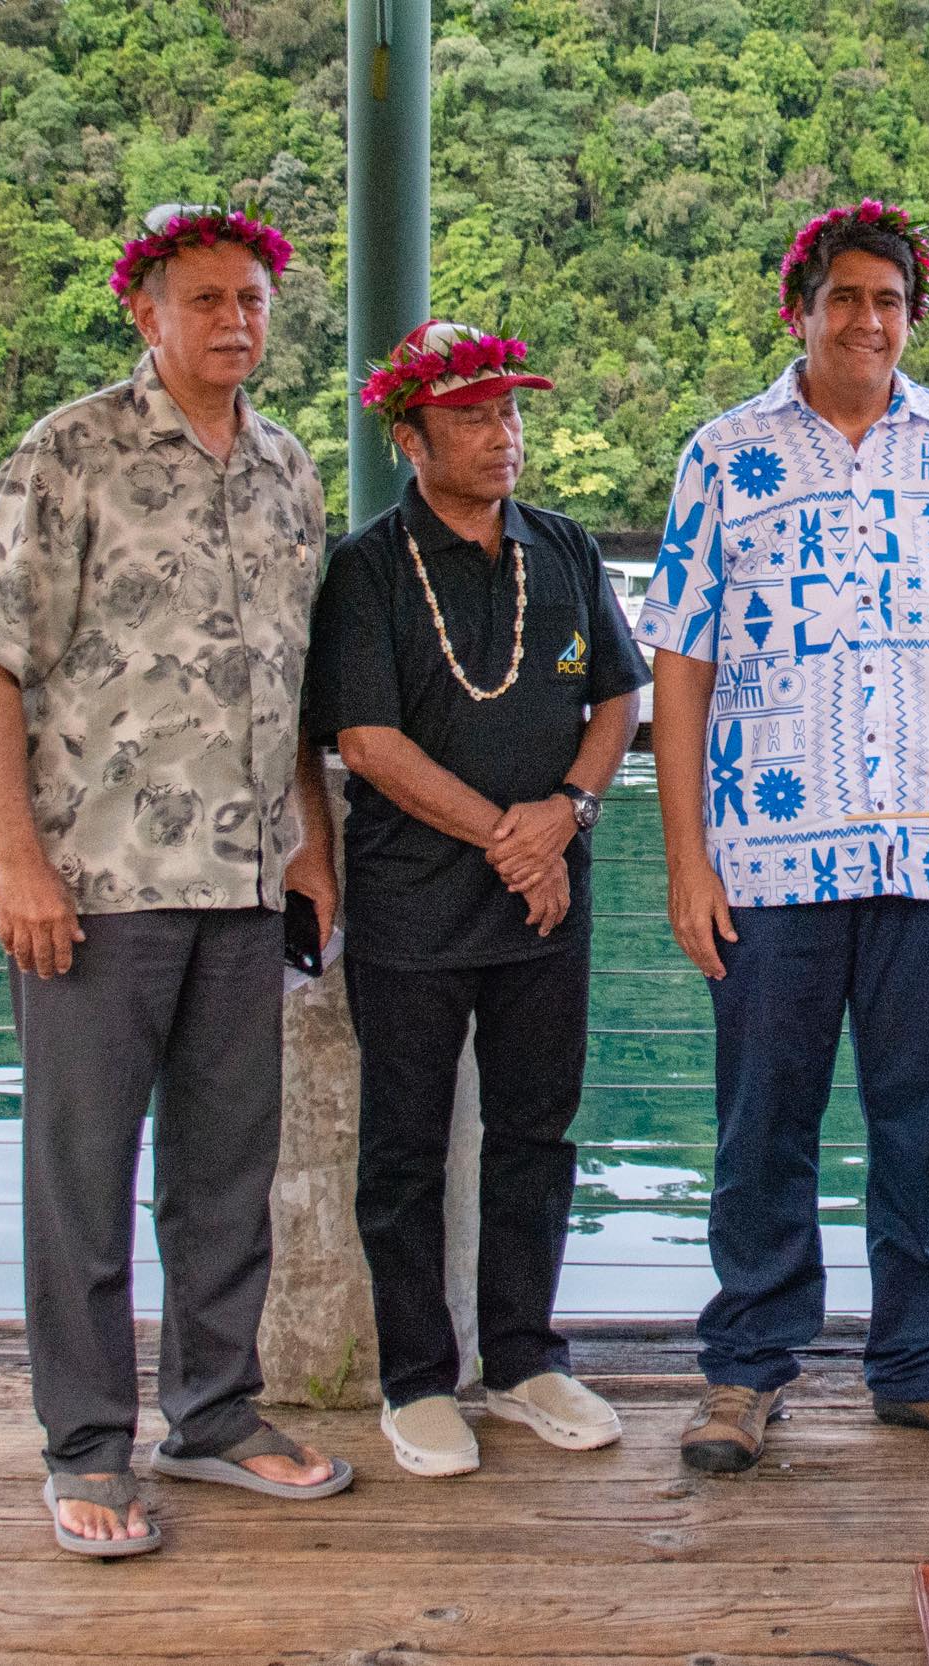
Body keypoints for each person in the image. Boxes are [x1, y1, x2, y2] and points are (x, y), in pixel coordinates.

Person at [0, 203, 350, 1558]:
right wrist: (18, 860)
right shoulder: (68, 452)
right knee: (82, 1175)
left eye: (250, 299)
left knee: (224, 1173)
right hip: (95, 879)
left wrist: (311, 847)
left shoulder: (291, 471)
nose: (233, 322)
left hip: (244, 885)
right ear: (146, 310)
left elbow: (290, 687)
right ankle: (83, 1443)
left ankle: (216, 1412)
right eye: (204, 300)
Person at [637, 198, 929, 1474]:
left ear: (909, 317)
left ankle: (924, 1362)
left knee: (920, 1118)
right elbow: (683, 658)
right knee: (763, 1116)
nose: (865, 320)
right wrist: (685, 856)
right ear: (800, 313)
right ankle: (746, 1367)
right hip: (769, 848)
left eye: (887, 300)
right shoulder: (725, 453)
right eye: (843, 299)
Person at [302, 321, 650, 1476]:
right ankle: (416, 1378)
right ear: (409, 437)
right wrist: (512, 835)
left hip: (548, 901)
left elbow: (616, 701)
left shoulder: (563, 547)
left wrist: (566, 818)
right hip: (412, 901)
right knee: (403, 1148)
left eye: (510, 415)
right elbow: (366, 739)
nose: (502, 436)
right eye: (471, 418)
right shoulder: (366, 568)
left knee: (535, 1134)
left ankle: (521, 1359)